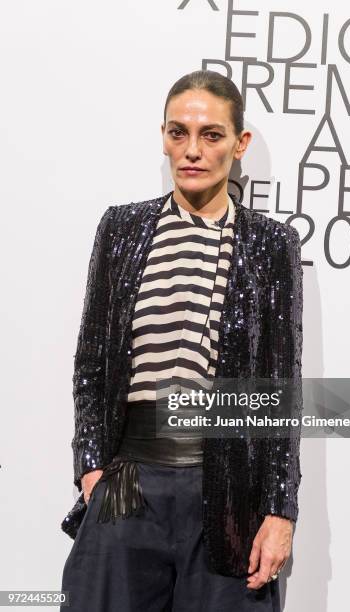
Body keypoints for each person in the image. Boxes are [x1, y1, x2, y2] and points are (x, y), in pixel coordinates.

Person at [60, 69, 303, 611]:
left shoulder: (270, 244)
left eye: (211, 135)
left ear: (240, 144)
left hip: (227, 495)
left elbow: (279, 387)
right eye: (178, 133)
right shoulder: (122, 228)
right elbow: (92, 360)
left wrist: (280, 510)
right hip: (127, 486)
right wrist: (92, 467)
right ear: (164, 137)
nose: (192, 150)